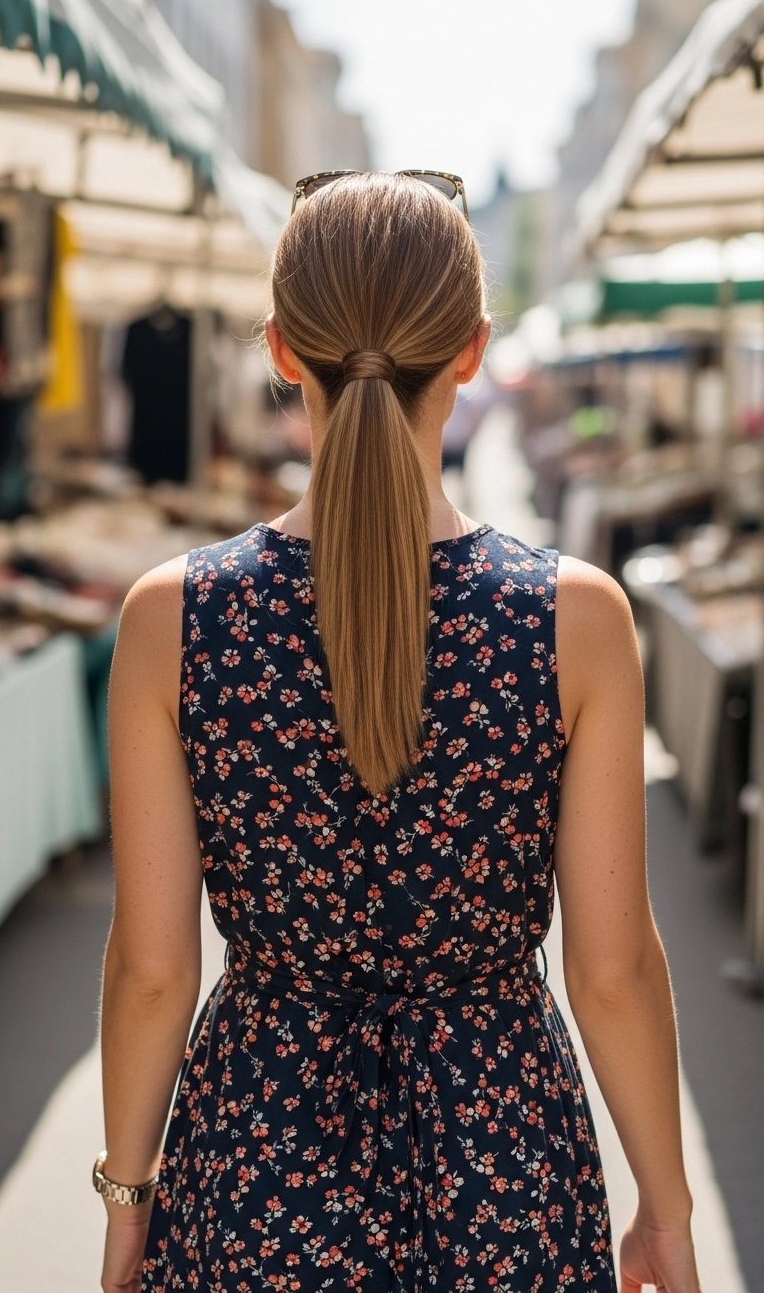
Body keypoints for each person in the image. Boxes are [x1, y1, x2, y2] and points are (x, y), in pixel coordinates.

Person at [98, 172, 702, 1293]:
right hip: (506, 1165)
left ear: (284, 350)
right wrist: (663, 1213)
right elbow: (611, 967)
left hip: (253, 1161)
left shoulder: (171, 617)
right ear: (470, 353)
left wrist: (129, 1201)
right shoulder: (576, 619)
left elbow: (150, 969)